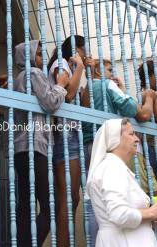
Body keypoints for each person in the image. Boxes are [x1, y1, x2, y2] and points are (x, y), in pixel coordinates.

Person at [80, 59, 157, 246]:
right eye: (109, 70)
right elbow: (134, 110)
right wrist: (137, 95)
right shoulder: (106, 84)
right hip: (110, 145)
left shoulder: (85, 91)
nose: (112, 74)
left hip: (89, 144)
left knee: (95, 203)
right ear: (99, 72)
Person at [13, 40, 68, 246]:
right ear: (26, 57)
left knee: (25, 206)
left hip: (21, 148)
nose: (42, 59)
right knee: (49, 207)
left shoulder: (19, 77)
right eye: (37, 54)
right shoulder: (33, 74)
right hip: (34, 147)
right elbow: (50, 103)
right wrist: (61, 85)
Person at [86, 118, 157, 247]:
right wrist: (151, 212)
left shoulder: (116, 167)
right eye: (131, 134)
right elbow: (119, 214)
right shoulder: (111, 167)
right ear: (115, 139)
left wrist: (151, 219)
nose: (137, 139)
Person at [47, 35, 89, 246]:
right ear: (75, 50)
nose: (85, 55)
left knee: (72, 198)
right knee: (68, 198)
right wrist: (80, 67)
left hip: (70, 133)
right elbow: (68, 94)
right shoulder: (61, 63)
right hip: (64, 133)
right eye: (83, 51)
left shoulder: (64, 65)